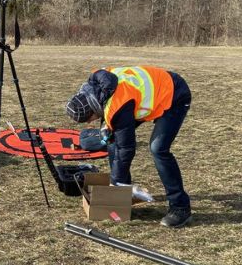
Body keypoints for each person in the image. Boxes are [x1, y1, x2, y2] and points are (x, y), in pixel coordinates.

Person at [66, 66, 192, 227]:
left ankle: (180, 207)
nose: (90, 122)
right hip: (142, 97)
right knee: (111, 139)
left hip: (175, 95)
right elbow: (115, 136)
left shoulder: (117, 105)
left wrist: (116, 183)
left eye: (89, 118)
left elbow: (126, 148)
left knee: (158, 149)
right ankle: (123, 196)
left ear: (94, 107)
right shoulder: (98, 85)